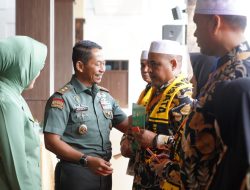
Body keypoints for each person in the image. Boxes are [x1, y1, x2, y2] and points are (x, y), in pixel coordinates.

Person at [149, 0, 250, 189]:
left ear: (215, 23)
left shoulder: (242, 74)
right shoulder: (224, 70)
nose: (194, 33)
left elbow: (240, 160)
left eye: (197, 24)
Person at [43, 40, 130, 190]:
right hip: (75, 175)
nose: (103, 69)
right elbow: (51, 142)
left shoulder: (105, 97)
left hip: (103, 174)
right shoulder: (62, 98)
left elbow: (128, 126)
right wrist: (86, 160)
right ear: (80, 66)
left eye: (104, 64)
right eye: (98, 64)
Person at [131, 40, 193, 189]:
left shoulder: (183, 96)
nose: (148, 70)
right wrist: (128, 140)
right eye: (146, 64)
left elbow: (189, 146)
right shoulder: (150, 91)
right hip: (143, 179)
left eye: (154, 64)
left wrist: (156, 140)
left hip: (166, 182)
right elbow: (136, 123)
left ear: (173, 64)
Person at [0, 36, 47, 189]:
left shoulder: (14, 96)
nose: (38, 73)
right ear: (21, 66)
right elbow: (16, 168)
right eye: (36, 66)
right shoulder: (6, 102)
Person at [120, 50, 153, 175]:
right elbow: (135, 124)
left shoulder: (162, 93)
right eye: (142, 65)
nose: (145, 70)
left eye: (149, 65)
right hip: (140, 164)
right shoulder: (144, 93)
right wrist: (126, 141)